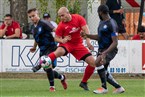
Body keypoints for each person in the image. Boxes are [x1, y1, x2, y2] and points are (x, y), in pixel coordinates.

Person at [39, 7, 105, 91]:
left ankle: (83, 82)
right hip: (67, 44)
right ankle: (43, 62)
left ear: (68, 13)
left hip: (78, 45)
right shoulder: (61, 25)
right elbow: (56, 38)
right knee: (60, 51)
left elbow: (86, 29)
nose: (61, 18)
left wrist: (88, 41)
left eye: (62, 15)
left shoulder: (78, 18)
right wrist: (62, 40)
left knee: (93, 63)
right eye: (60, 16)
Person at [81, 5, 125, 94]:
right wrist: (87, 35)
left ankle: (104, 88)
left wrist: (105, 53)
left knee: (97, 62)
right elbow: (99, 37)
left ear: (100, 12)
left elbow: (115, 42)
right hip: (101, 50)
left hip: (110, 49)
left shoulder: (112, 23)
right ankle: (119, 88)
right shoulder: (101, 23)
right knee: (104, 71)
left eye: (98, 13)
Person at [27, 8, 67, 92]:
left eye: (33, 16)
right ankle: (62, 77)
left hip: (51, 47)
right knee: (47, 69)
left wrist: (63, 38)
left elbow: (56, 30)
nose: (32, 18)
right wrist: (34, 47)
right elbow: (36, 38)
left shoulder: (44, 23)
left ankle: (52, 87)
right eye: (30, 17)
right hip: (42, 50)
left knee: (47, 64)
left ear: (37, 14)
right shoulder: (33, 27)